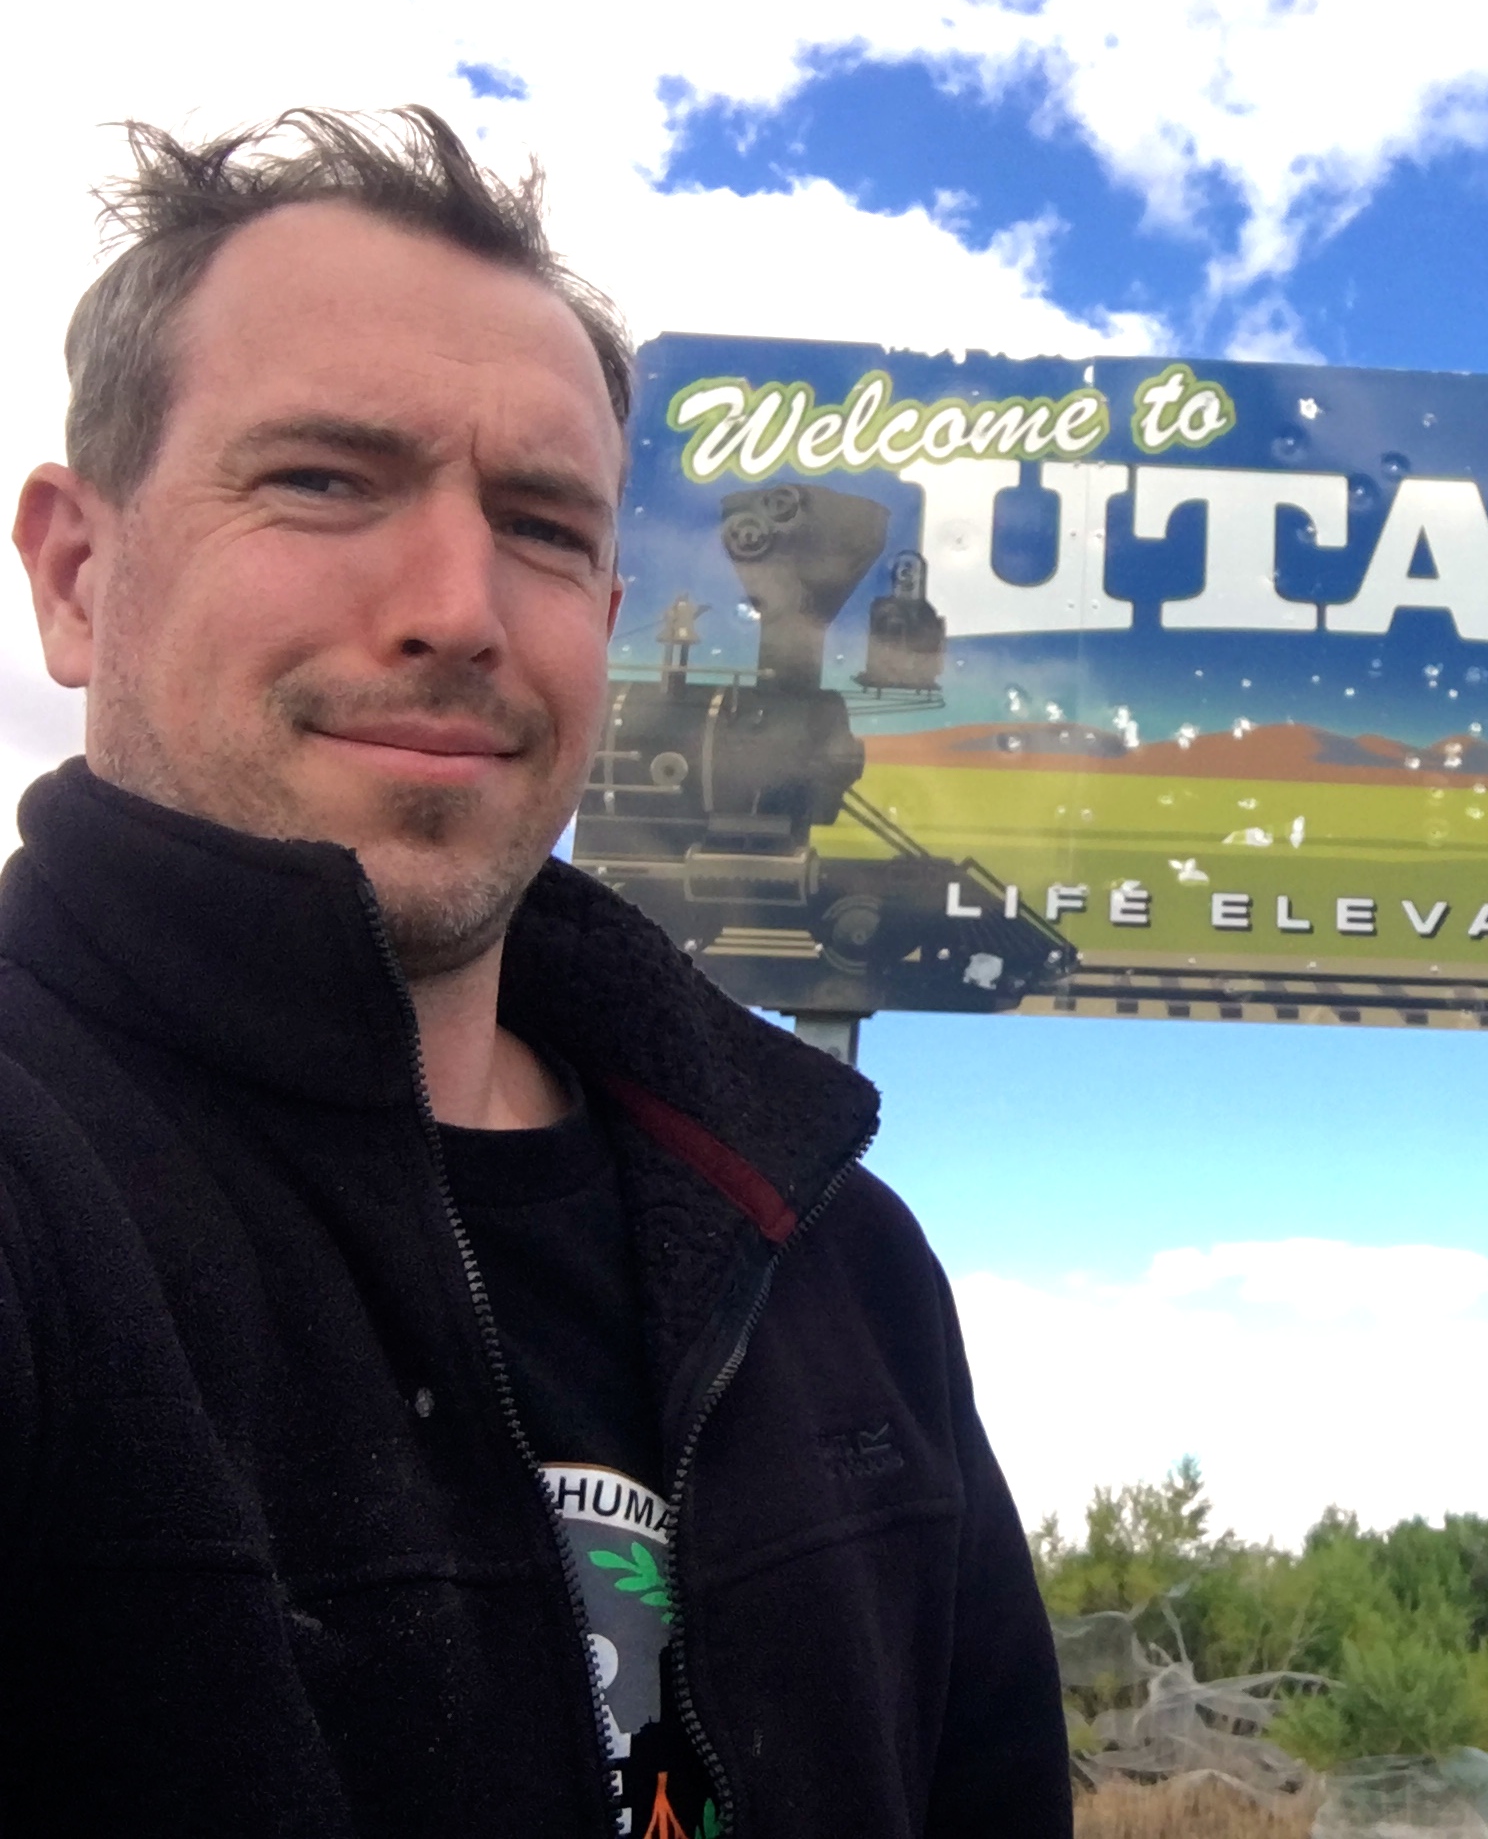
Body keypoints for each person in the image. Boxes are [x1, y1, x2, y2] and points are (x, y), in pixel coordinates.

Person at [0, 109, 1069, 1836]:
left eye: (545, 525)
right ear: (76, 573)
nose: (459, 605)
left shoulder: (834, 1257)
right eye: (323, 480)